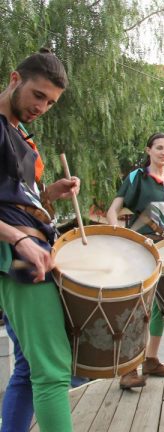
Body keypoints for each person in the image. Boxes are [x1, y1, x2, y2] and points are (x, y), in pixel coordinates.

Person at [0, 49, 78, 432]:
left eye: (50, 102)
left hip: (29, 249)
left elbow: (13, 198)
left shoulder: (18, 135)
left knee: (30, 366)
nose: (42, 107)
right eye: (38, 95)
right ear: (15, 79)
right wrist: (18, 239)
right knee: (52, 371)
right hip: (19, 257)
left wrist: (48, 195)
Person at [106, 132, 164, 390]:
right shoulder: (138, 177)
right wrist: (118, 236)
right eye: (159, 148)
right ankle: (128, 370)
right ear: (149, 150)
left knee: (159, 307)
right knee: (138, 308)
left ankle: (151, 360)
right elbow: (112, 210)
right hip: (140, 249)